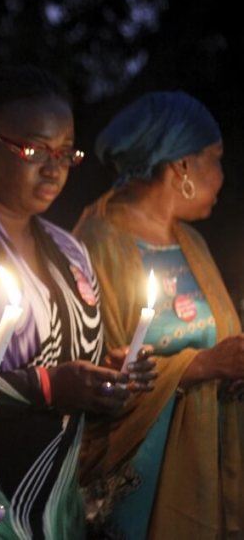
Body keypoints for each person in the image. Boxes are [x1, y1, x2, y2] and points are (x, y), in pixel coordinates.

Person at [0, 66, 155, 539]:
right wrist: (46, 387)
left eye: (66, 152)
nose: (54, 168)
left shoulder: (69, 251)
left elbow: (71, 358)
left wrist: (111, 372)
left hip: (58, 502)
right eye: (33, 150)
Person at [74, 91, 244, 539]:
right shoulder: (96, 244)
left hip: (205, 471)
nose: (222, 176)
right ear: (181, 166)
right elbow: (96, 373)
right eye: (216, 158)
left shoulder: (192, 243)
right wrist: (203, 364)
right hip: (138, 483)